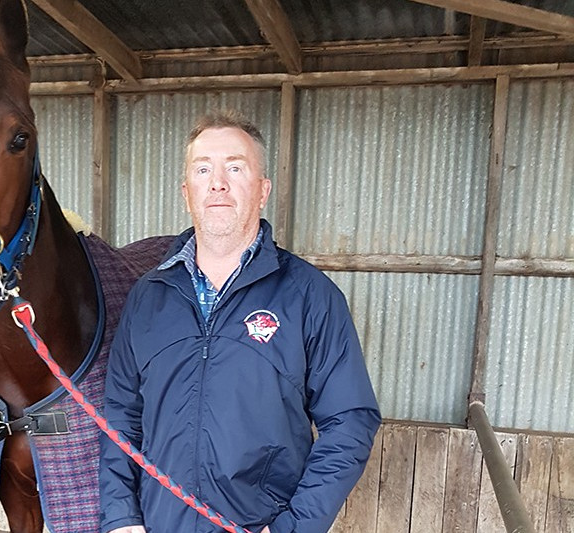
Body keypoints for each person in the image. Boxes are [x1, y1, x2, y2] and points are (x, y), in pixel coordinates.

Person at [99, 110, 381, 533]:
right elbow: (120, 415)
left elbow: (351, 420)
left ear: (263, 190)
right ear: (187, 192)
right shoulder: (148, 298)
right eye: (203, 169)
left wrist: (292, 527)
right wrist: (122, 519)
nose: (218, 182)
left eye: (235, 167)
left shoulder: (310, 296)